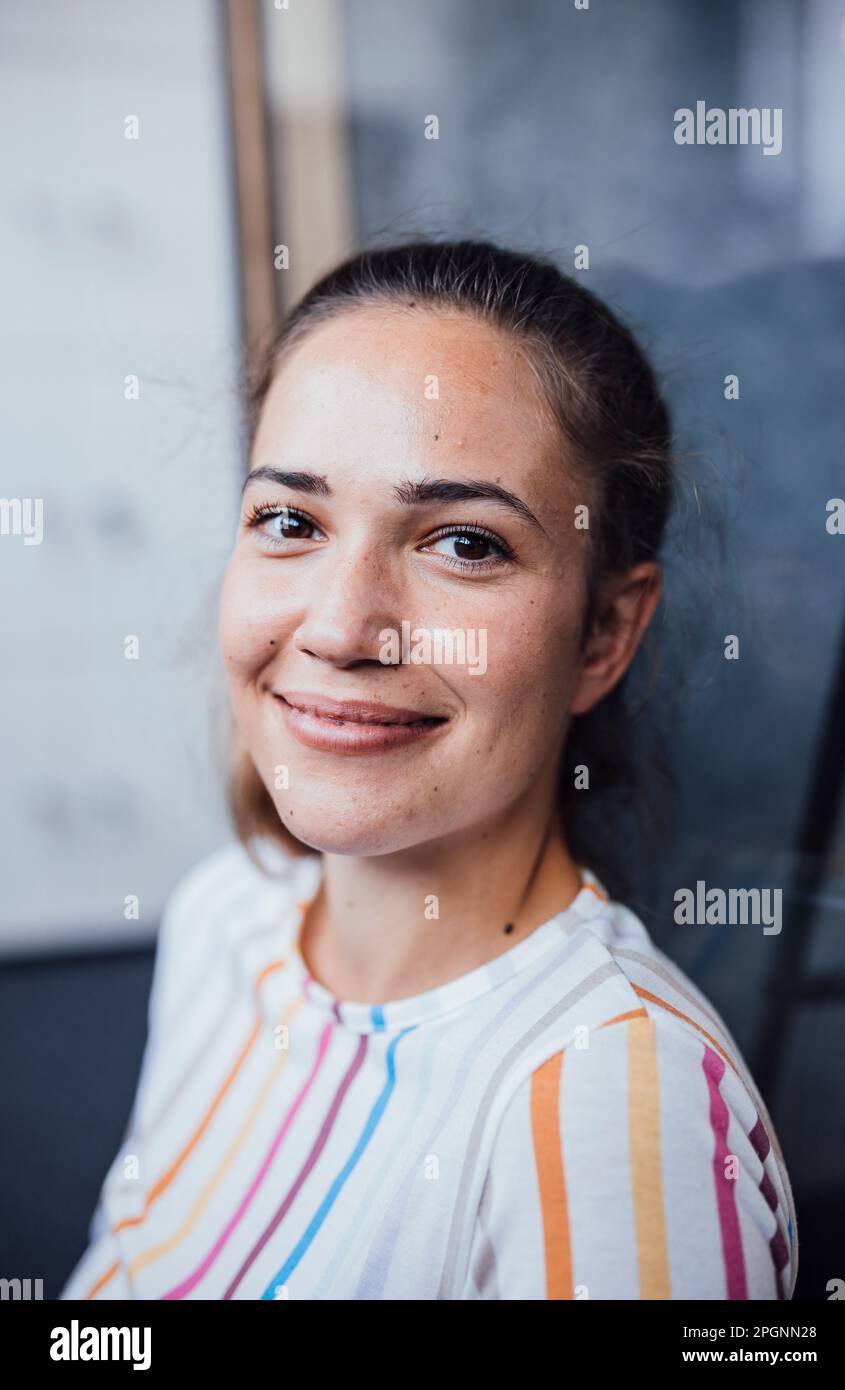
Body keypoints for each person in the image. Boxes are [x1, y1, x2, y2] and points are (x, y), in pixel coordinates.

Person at [60, 238, 797, 1300]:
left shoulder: (613, 1100)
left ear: (603, 633)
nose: (342, 625)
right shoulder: (226, 918)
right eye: (290, 520)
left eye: (464, 543)